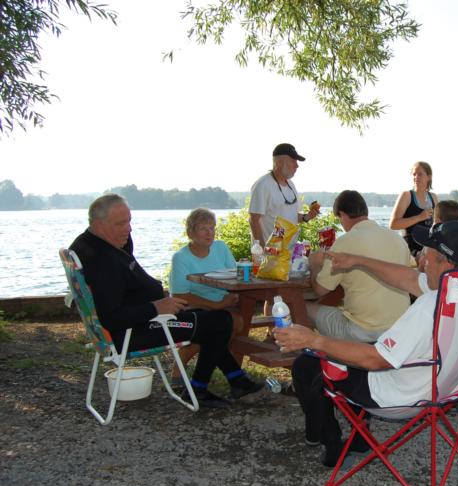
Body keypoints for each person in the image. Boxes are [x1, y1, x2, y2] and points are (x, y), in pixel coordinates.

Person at [275, 221, 458, 466]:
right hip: (447, 386)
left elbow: (373, 360)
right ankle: (356, 436)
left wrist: (313, 339)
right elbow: (406, 278)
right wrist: (358, 260)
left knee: (308, 363)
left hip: (397, 397)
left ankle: (329, 440)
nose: (421, 259)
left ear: (445, 263)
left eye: (426, 253)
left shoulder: (428, 308)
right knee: (345, 353)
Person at [70, 194, 261, 408]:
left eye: (129, 221)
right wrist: (156, 307)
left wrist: (157, 305)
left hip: (147, 319)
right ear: (99, 223)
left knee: (213, 320)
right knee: (220, 322)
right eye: (121, 224)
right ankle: (198, 389)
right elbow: (113, 317)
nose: (129, 229)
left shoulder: (93, 243)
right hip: (138, 329)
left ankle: (237, 379)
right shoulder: (101, 261)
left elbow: (123, 267)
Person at [307, 190, 411, 343]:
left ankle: (303, 356)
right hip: (399, 330)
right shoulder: (398, 240)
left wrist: (314, 265)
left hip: (363, 332)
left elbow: (320, 290)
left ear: (342, 215)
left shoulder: (345, 241)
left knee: (301, 307)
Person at [168, 208, 242, 386]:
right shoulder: (181, 257)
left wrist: (230, 298)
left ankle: (230, 376)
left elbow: (236, 276)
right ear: (190, 232)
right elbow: (180, 294)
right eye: (203, 229)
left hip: (223, 301)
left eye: (212, 228)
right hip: (194, 306)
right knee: (226, 325)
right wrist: (215, 305)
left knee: (236, 322)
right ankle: (189, 367)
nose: (209, 233)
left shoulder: (221, 248)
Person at [249, 143, 321, 247]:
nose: (297, 165)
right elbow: (253, 220)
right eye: (293, 161)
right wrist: (261, 250)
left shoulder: (291, 185)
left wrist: (307, 217)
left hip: (289, 252)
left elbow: (292, 216)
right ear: (278, 162)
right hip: (270, 253)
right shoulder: (263, 185)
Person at [389, 161, 438, 257]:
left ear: (429, 177)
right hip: (410, 248)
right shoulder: (406, 195)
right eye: (414, 174)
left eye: (420, 174)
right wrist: (419, 217)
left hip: (429, 247)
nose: (416, 177)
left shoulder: (434, 197)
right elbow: (393, 224)